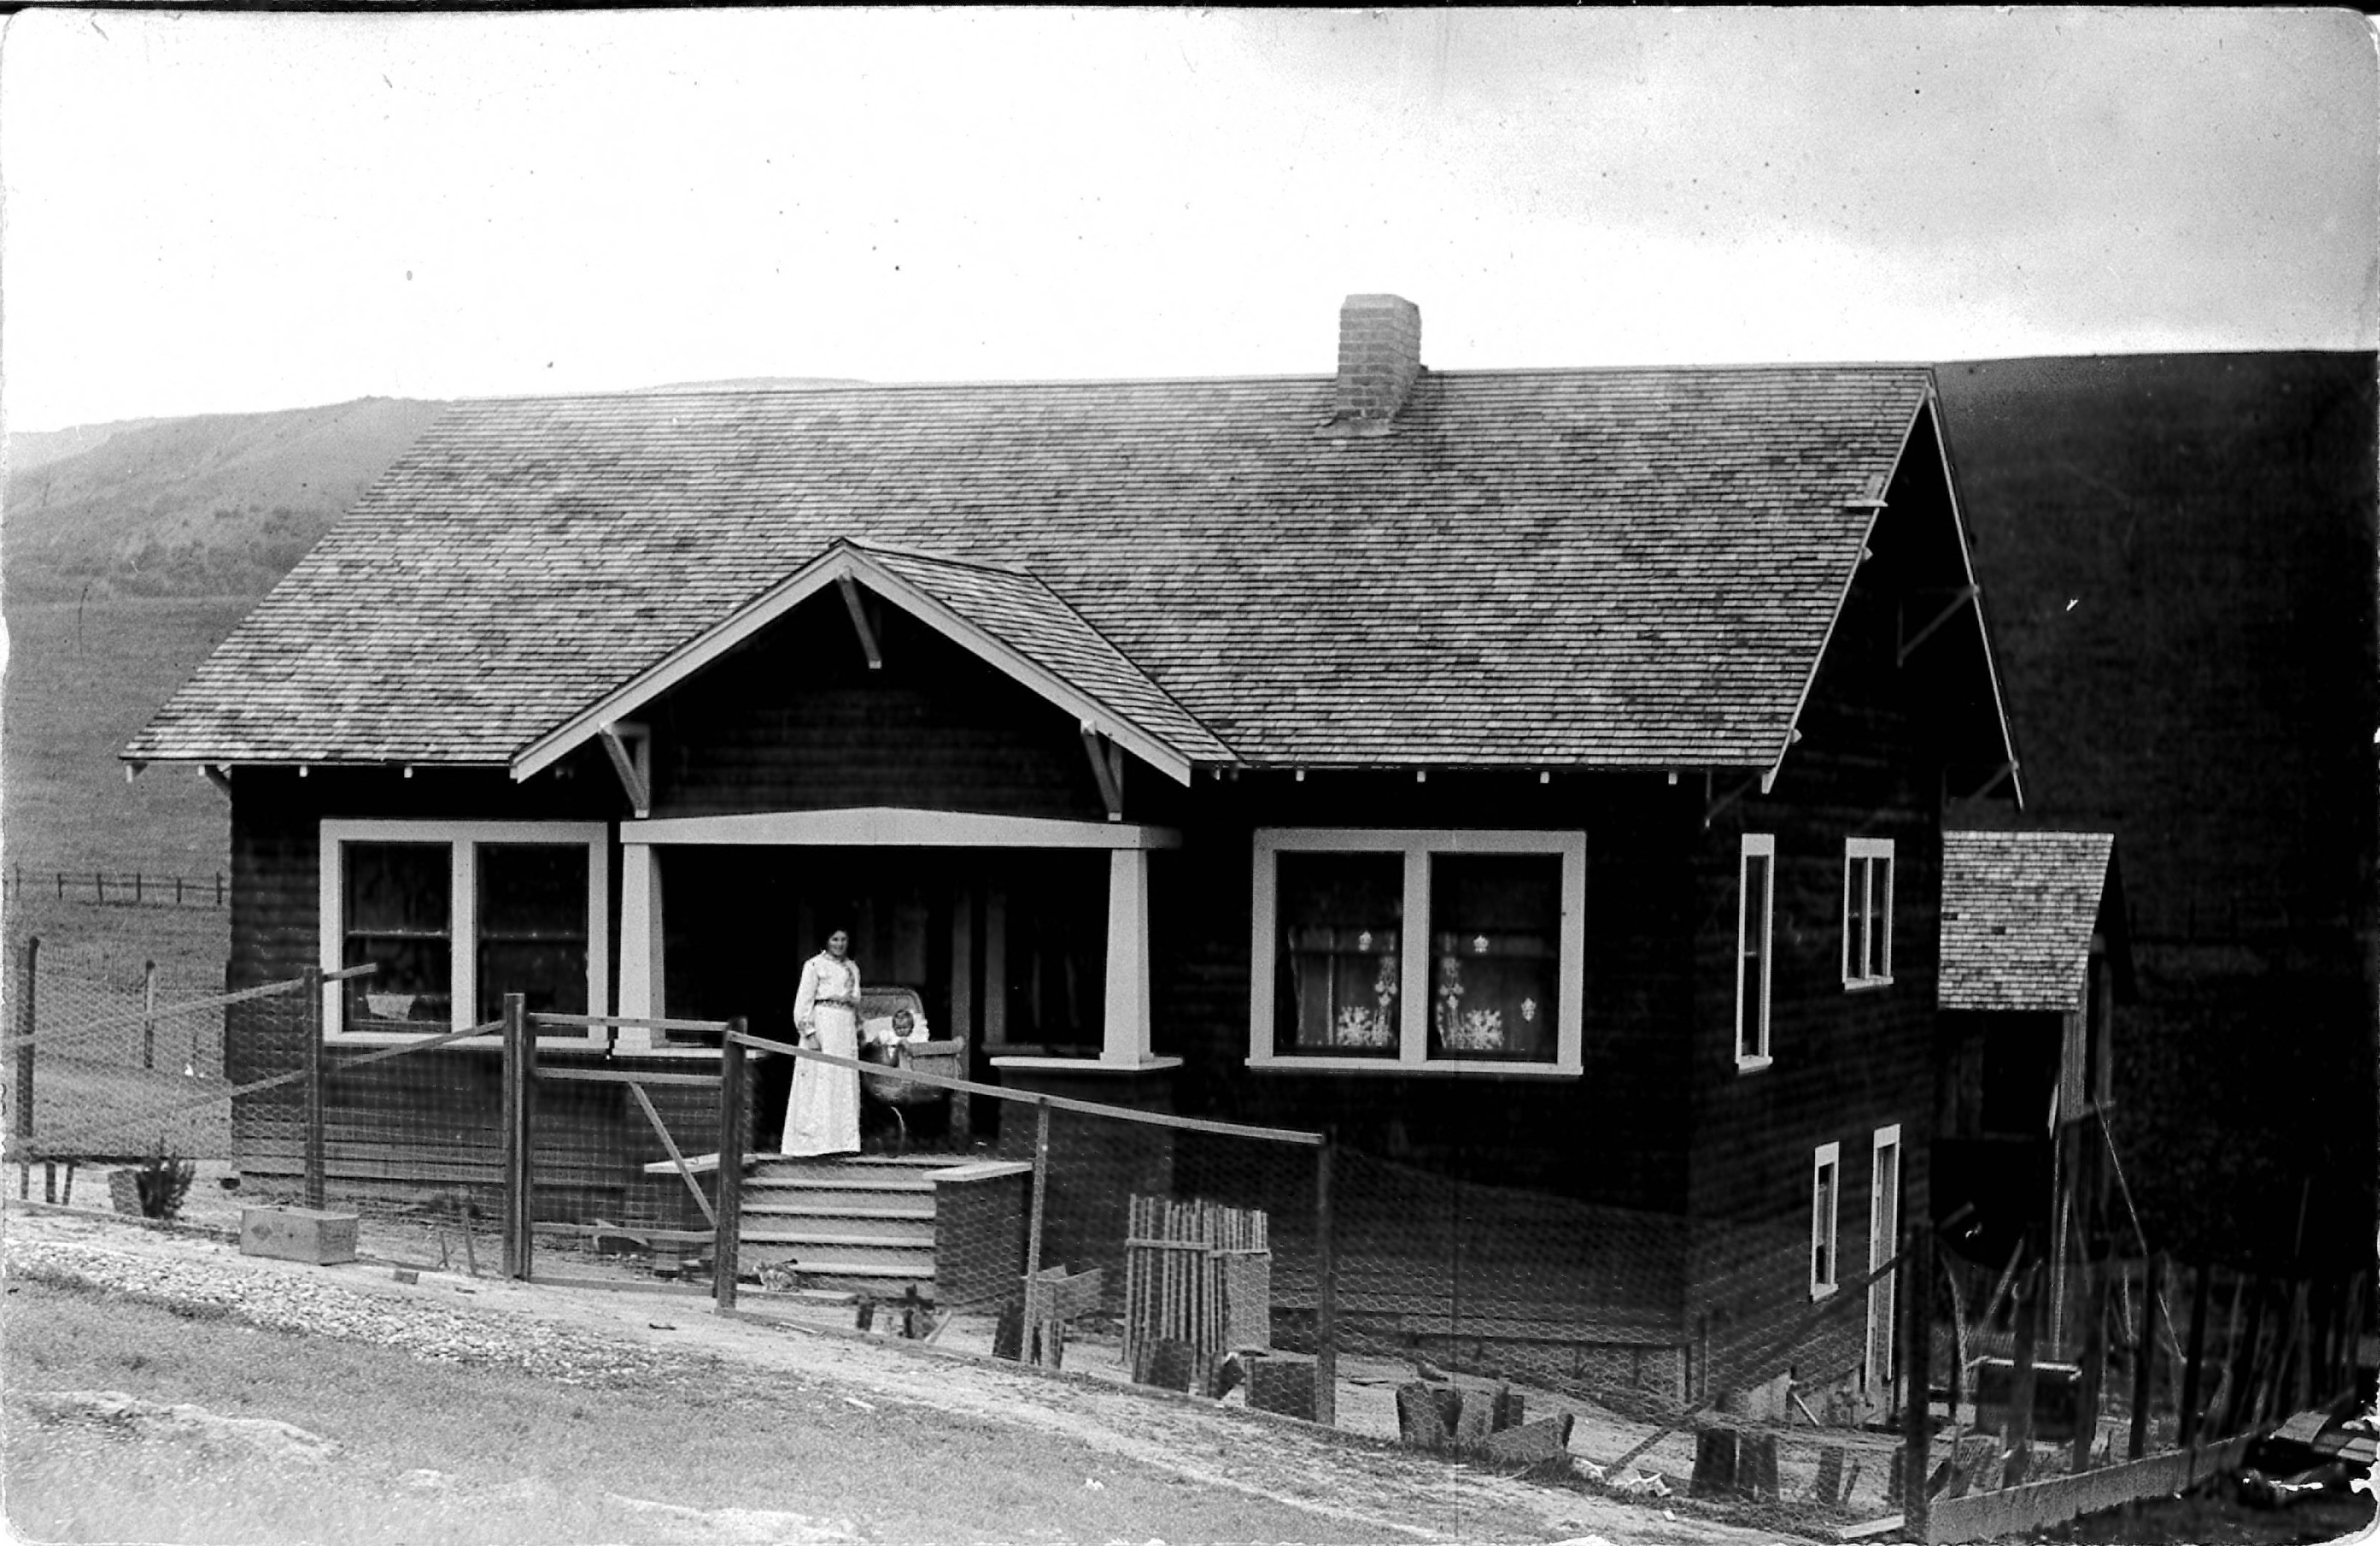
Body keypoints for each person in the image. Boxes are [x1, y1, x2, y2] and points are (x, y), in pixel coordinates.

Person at [783, 928, 864, 1157]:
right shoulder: (814, 966)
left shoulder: (853, 968)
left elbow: (856, 1004)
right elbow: (803, 1003)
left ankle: (843, 1142)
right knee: (821, 1081)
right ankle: (814, 1144)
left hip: (845, 1029)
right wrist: (809, 1033)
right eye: (835, 939)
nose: (839, 944)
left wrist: (859, 1030)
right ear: (827, 941)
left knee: (843, 1082)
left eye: (844, 939)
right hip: (823, 1026)